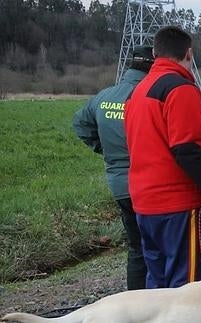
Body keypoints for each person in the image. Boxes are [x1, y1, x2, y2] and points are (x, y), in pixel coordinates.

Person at [124, 26, 201, 289]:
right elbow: (189, 149)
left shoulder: (138, 91)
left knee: (158, 287)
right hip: (179, 207)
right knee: (189, 290)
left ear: (156, 54)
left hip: (145, 205)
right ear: (189, 54)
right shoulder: (181, 89)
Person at [72, 46, 154, 290]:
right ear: (152, 66)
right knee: (160, 247)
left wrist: (103, 149)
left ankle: (136, 305)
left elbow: (80, 124)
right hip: (150, 184)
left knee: (136, 248)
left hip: (120, 185)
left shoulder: (104, 96)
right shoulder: (149, 95)